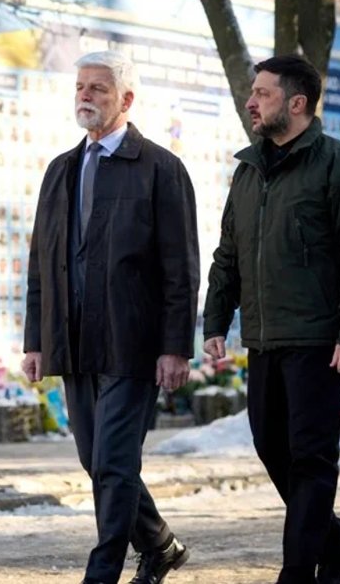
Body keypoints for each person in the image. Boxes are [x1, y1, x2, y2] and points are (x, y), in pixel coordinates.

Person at [202, 55, 340, 584]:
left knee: (310, 458)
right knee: (271, 448)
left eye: (262, 93)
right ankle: (339, 545)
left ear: (297, 103)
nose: (251, 102)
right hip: (264, 340)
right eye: (252, 93)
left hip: (318, 341)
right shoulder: (249, 171)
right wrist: (216, 321)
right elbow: (228, 255)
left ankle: (298, 572)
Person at [22, 51, 199, 584]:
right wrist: (36, 340)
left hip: (133, 340)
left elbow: (181, 267)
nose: (85, 95)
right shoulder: (61, 170)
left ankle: (102, 573)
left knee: (114, 463)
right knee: (95, 460)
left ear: (126, 99)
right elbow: (41, 262)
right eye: (81, 86)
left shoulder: (161, 169)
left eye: (98, 88)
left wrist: (175, 346)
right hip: (73, 338)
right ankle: (159, 544)